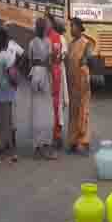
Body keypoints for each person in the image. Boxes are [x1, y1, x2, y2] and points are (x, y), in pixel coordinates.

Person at [28, 18, 56, 160]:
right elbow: (49, 62)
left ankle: (37, 148)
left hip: (35, 74)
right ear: (44, 28)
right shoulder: (48, 42)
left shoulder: (32, 43)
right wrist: (52, 77)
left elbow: (30, 62)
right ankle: (46, 146)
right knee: (47, 111)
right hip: (44, 74)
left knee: (36, 110)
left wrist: (33, 75)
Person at [65, 18, 93, 156]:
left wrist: (84, 69)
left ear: (79, 28)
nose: (71, 29)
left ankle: (83, 141)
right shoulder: (71, 45)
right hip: (72, 84)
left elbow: (90, 61)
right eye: (70, 26)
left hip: (82, 82)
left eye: (73, 26)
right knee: (73, 112)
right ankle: (73, 141)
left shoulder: (86, 43)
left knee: (83, 111)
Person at [0, 28, 18, 160]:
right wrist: (16, 83)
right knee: (9, 120)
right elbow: (12, 74)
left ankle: (2, 144)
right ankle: (8, 147)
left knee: (2, 120)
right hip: (7, 93)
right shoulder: (7, 56)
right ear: (7, 41)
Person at [46, 12, 67, 149]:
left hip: (57, 73)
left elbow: (62, 56)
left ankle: (57, 135)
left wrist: (55, 59)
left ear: (52, 23)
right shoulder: (41, 38)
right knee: (47, 105)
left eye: (47, 21)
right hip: (46, 75)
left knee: (57, 105)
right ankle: (46, 135)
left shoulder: (60, 38)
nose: (45, 24)